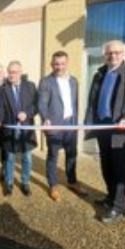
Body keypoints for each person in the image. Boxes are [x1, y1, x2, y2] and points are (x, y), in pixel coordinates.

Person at [85, 40, 125, 224]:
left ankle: (118, 206)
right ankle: (110, 197)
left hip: (121, 130)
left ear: (123, 54)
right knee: (106, 165)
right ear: (104, 55)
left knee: (120, 167)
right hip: (102, 127)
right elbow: (92, 101)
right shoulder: (99, 74)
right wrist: (88, 122)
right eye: (109, 53)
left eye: (117, 52)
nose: (113, 56)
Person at [38, 50, 85, 202]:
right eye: (56, 64)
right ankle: (53, 185)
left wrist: (76, 122)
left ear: (67, 63)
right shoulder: (46, 82)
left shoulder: (73, 81)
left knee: (72, 154)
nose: (59, 67)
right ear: (52, 64)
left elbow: (75, 103)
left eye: (62, 63)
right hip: (54, 125)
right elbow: (42, 103)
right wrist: (45, 119)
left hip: (70, 124)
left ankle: (72, 181)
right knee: (53, 156)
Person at [0, 61, 37, 196]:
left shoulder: (30, 86)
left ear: (20, 72)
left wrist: (27, 114)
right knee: (10, 158)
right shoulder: (2, 89)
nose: (12, 75)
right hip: (9, 129)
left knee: (27, 158)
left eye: (15, 72)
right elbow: (0, 109)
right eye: (10, 72)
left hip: (26, 129)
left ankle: (25, 183)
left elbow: (36, 105)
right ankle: (9, 183)